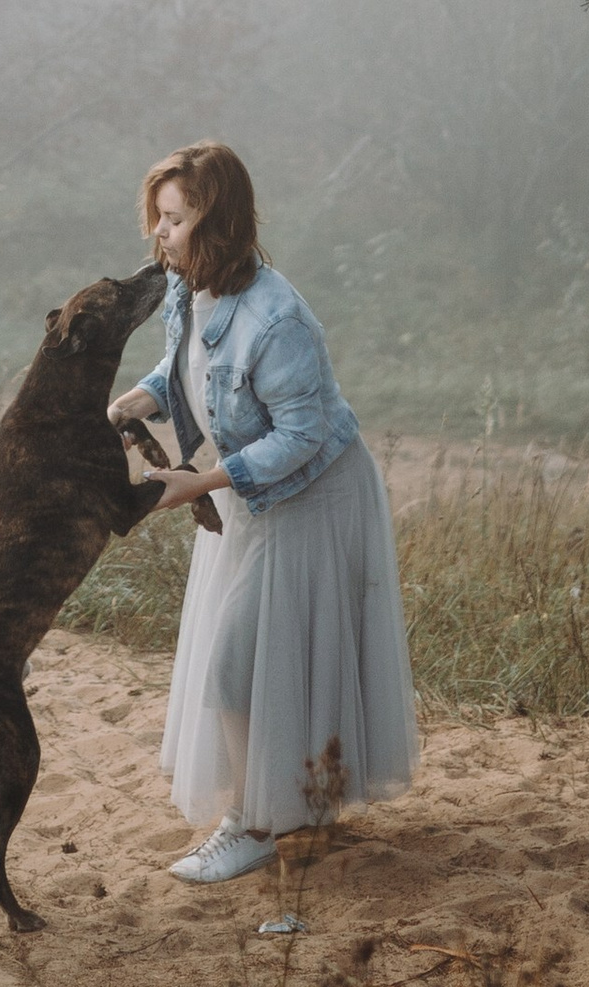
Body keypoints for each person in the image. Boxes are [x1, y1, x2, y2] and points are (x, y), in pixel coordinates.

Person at [110, 139, 417, 883]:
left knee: (241, 659)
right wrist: (135, 399)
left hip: (311, 498)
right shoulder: (189, 288)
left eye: (175, 220)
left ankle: (254, 826)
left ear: (216, 224)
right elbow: (185, 366)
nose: (160, 233)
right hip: (245, 493)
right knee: (257, 656)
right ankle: (276, 808)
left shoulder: (279, 320)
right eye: (158, 217)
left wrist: (204, 480)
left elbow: (304, 436)